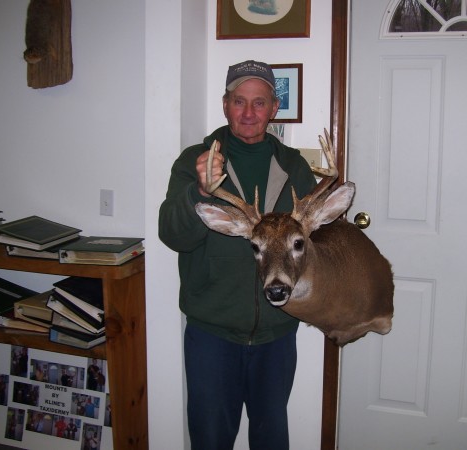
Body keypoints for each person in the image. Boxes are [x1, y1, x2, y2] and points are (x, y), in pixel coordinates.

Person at [159, 60, 317, 450]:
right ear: (225, 104)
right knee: (211, 439)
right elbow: (173, 235)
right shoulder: (195, 162)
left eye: (259, 102)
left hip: (277, 334)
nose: (248, 113)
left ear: (273, 108)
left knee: (271, 439)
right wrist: (200, 189)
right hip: (212, 333)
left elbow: (314, 244)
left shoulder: (294, 167)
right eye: (239, 102)